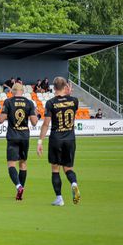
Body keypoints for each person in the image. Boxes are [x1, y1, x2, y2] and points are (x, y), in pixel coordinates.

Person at [37, 77, 81, 206]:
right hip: (70, 138)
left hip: (56, 138)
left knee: (55, 169)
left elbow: (46, 124)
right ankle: (74, 183)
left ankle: (59, 198)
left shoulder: (50, 103)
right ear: (66, 86)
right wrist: (69, 94)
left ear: (53, 87)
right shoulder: (74, 101)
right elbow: (68, 104)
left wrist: (40, 141)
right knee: (68, 168)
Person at [0, 83, 38, 201]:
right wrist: (37, 114)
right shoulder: (29, 102)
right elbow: (35, 122)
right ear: (23, 91)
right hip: (25, 136)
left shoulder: (8, 102)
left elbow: (0, 120)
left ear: (12, 91)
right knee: (23, 164)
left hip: (13, 136)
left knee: (11, 164)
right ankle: (21, 189)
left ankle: (18, 186)